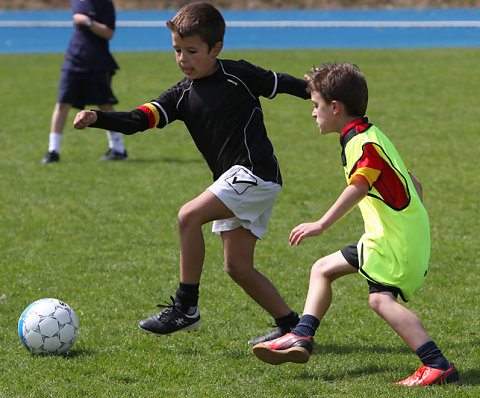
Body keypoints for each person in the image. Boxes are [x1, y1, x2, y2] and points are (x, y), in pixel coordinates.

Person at [73, 2, 309, 342]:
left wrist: (319, 90)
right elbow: (139, 120)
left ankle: (185, 308)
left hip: (254, 172)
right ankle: (292, 326)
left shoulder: (237, 75)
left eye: (192, 51)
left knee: (188, 216)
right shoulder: (181, 95)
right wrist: (99, 117)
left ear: (216, 49)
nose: (183, 58)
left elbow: (281, 83)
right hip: (237, 180)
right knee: (237, 267)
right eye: (177, 50)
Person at [252, 62, 459, 386]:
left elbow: (359, 185)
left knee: (379, 300)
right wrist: (408, 219)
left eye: (316, 106)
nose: (313, 113)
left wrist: (321, 223)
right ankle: (301, 336)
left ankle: (436, 364)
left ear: (335, 107)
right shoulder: (368, 135)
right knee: (323, 269)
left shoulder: (362, 144)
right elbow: (413, 183)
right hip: (393, 237)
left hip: (393, 242)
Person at [42, 0, 128, 164]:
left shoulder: (105, 3)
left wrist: (88, 21)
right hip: (74, 61)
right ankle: (53, 151)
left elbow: (109, 33)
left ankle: (118, 149)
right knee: (62, 104)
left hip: (97, 62)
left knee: (105, 105)